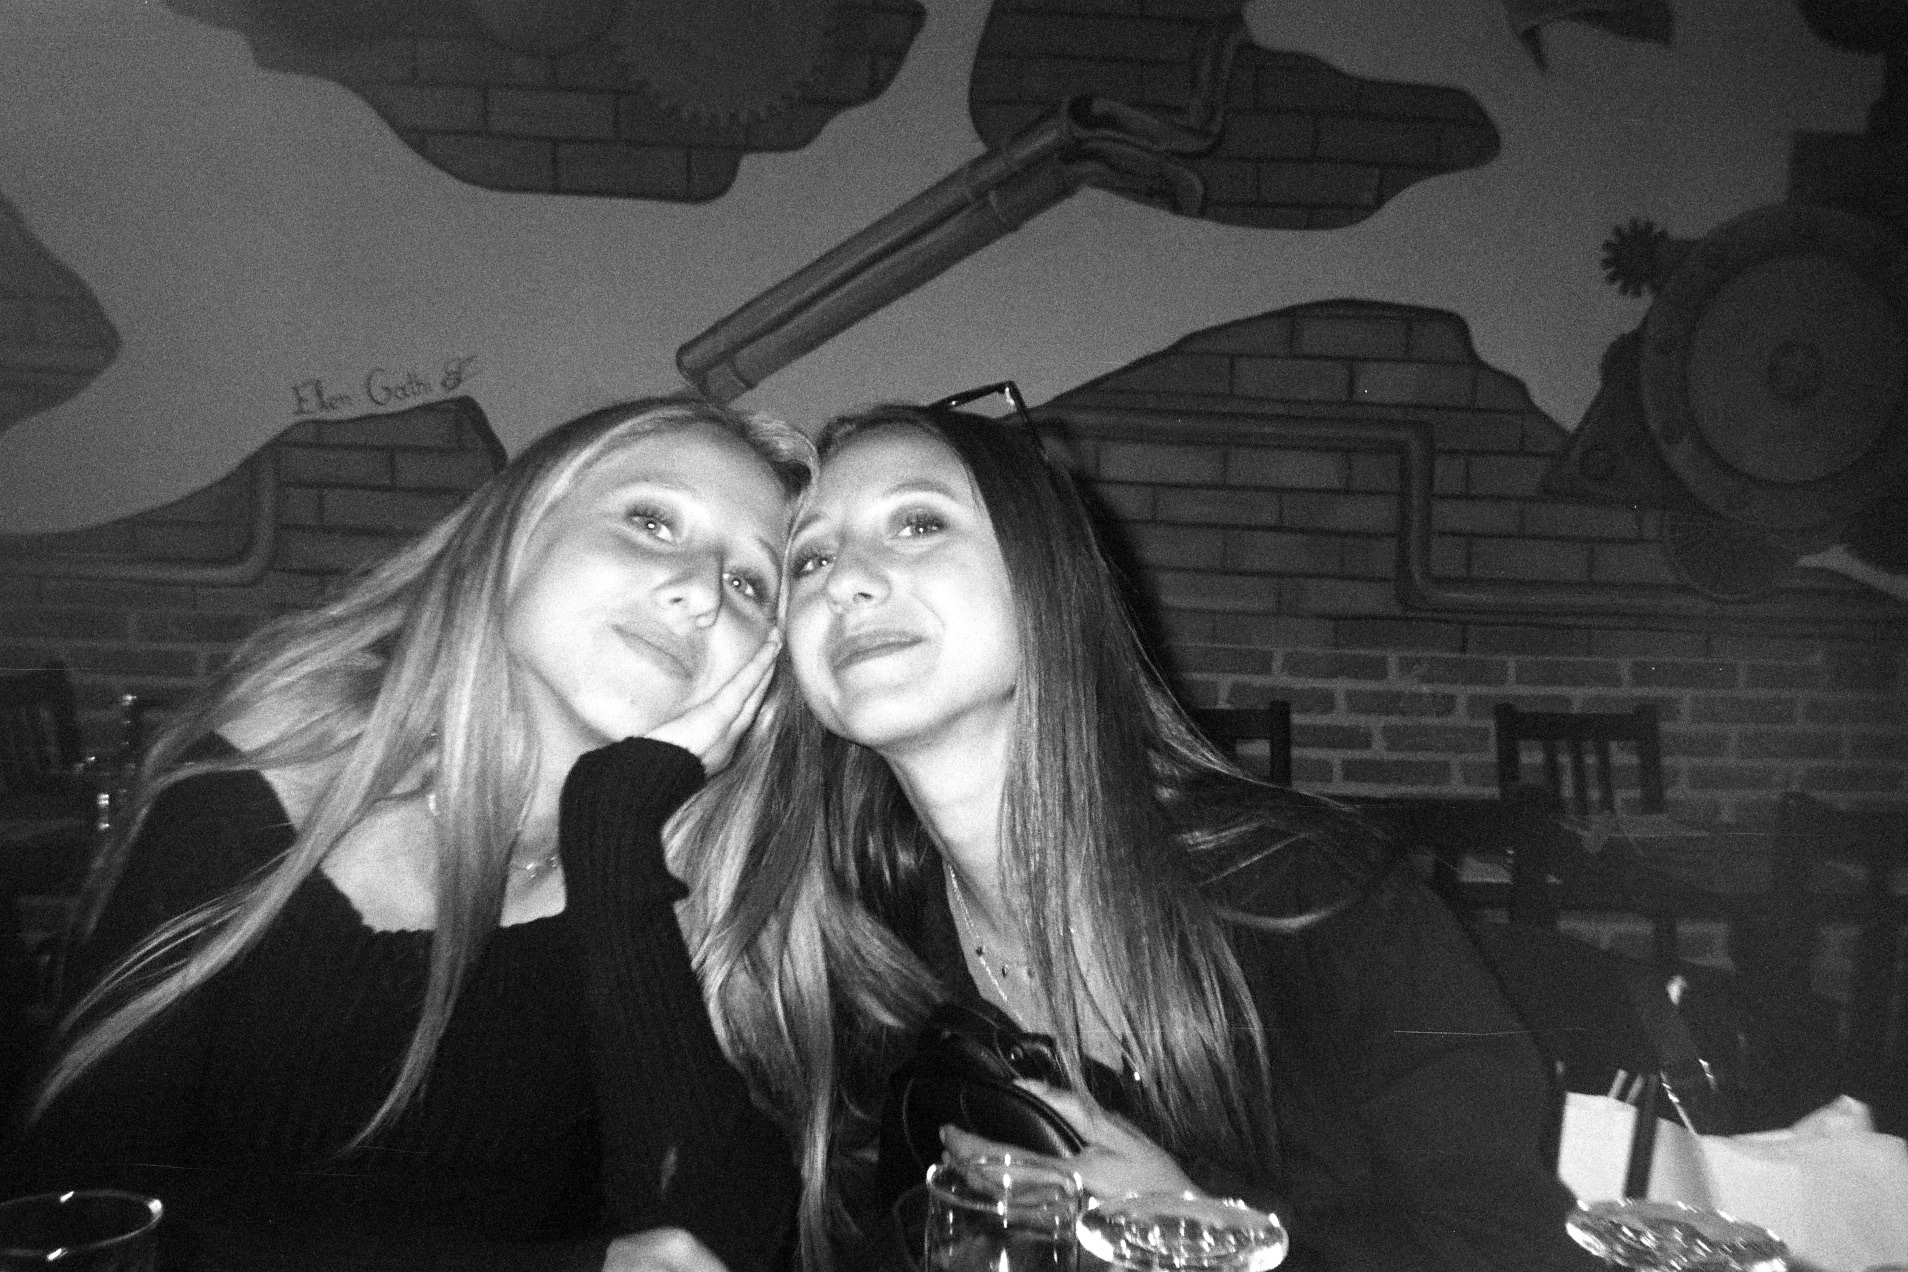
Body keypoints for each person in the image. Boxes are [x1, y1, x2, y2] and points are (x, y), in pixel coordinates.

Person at [672, 398, 1603, 1271]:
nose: (847, 582)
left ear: (1046, 578)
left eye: (919, 523)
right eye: (810, 561)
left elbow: (1512, 1248)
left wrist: (1202, 1235)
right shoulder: (857, 951)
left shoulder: (1308, 892)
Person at [3, 397, 810, 1272]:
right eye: (652, 522)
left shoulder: (707, 876)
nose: (701, 590)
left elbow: (719, 1242)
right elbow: (80, 1212)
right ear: (515, 536)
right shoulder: (274, 788)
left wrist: (614, 840)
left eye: (749, 583)